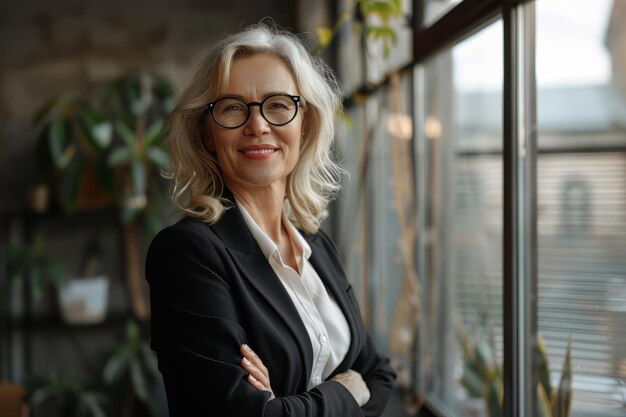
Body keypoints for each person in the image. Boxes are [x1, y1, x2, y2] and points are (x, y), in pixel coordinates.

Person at [145, 23, 396, 417]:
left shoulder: (315, 243)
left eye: (278, 104)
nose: (258, 125)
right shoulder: (187, 253)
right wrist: (345, 393)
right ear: (208, 133)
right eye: (232, 107)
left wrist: (285, 401)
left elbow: (378, 374)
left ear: (305, 123)